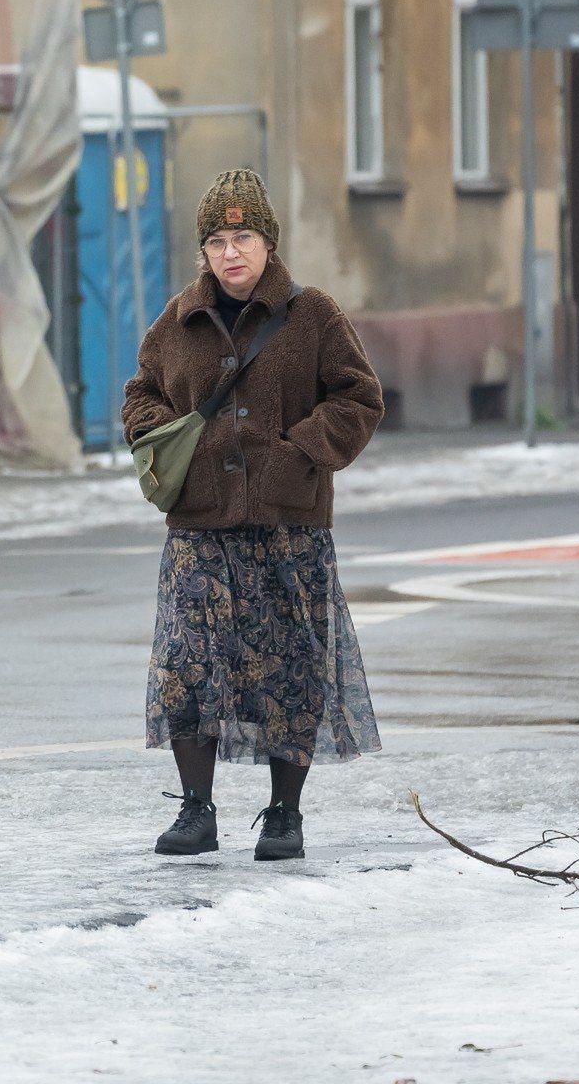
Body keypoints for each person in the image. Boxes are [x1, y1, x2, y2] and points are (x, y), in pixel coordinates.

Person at [121, 167, 384, 861]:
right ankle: (196, 811)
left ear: (268, 240)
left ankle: (284, 816)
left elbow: (359, 398)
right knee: (187, 666)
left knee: (289, 669)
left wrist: (300, 450)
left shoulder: (314, 316)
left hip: (289, 525)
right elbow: (140, 397)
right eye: (216, 240)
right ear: (202, 250)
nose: (230, 252)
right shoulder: (176, 321)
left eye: (243, 236)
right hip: (199, 528)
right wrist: (168, 437)